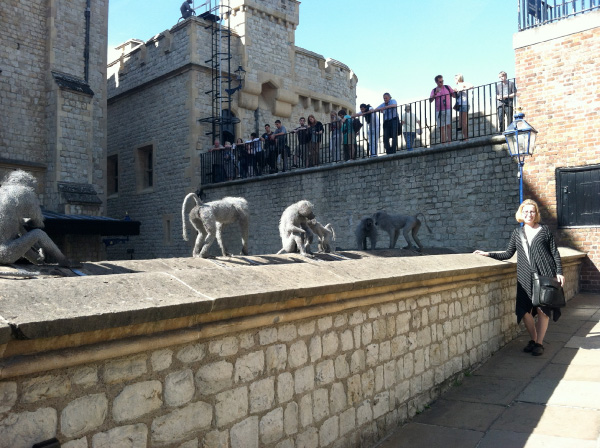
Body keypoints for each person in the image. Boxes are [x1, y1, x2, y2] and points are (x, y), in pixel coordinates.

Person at [474, 199, 565, 357]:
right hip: (524, 275)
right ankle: (534, 338)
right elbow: (508, 254)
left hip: (545, 272)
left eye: (532, 211)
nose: (529, 214)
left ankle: (539, 343)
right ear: (521, 214)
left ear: (536, 214)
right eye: (526, 211)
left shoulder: (544, 231)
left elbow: (555, 253)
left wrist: (559, 272)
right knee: (523, 310)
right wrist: (488, 254)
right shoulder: (518, 233)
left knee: (542, 309)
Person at [429, 75, 455, 144]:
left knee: (448, 125)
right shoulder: (434, 90)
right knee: (441, 127)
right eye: (440, 82)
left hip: (448, 109)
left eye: (442, 81)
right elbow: (430, 100)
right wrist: (435, 93)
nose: (442, 83)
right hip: (439, 110)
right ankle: (443, 142)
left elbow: (454, 95)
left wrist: (455, 91)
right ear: (436, 82)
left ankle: (449, 141)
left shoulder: (447, 87)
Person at [454, 73, 473, 140]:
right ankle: (463, 136)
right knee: (461, 122)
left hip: (464, 104)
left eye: (455, 78)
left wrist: (462, 88)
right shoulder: (457, 87)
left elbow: (471, 86)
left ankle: (466, 137)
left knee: (464, 122)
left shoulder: (463, 84)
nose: (454, 80)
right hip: (460, 105)